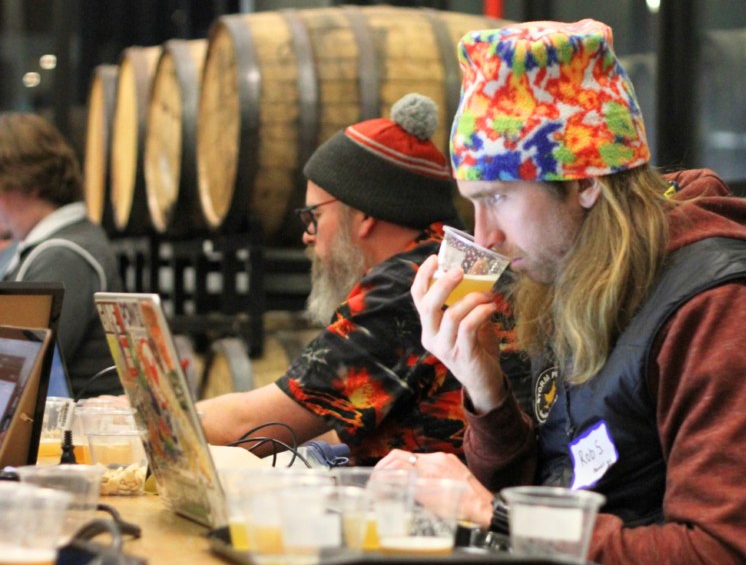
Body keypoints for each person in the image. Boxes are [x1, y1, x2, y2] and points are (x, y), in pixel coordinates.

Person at [379, 21, 746, 565]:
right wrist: (486, 396)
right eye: (471, 202)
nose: (483, 238)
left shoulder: (720, 307)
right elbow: (563, 483)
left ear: (585, 181)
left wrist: (496, 516)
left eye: (500, 196)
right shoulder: (577, 274)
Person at [199, 93, 530, 466]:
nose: (307, 236)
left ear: (363, 215)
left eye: (314, 217)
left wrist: (142, 416)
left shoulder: (411, 283)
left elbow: (252, 427)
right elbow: (337, 422)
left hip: (441, 514)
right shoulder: (445, 263)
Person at [0, 112, 123, 397]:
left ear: (29, 182)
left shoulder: (64, 256)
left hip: (73, 436)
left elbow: (14, 374)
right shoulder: (54, 245)